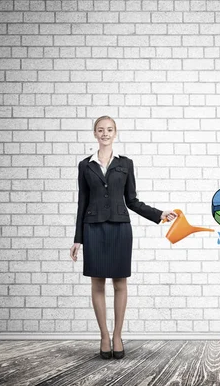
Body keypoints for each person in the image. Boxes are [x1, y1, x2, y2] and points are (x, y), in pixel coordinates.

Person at [69, 115, 177, 360]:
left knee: (120, 283)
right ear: (95, 134)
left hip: (120, 228)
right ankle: (104, 336)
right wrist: (78, 239)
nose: (105, 133)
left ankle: (117, 336)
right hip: (93, 228)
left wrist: (159, 214)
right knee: (97, 283)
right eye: (100, 130)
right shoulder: (85, 165)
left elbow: (132, 201)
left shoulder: (126, 163)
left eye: (109, 130)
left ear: (115, 133)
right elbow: (82, 202)